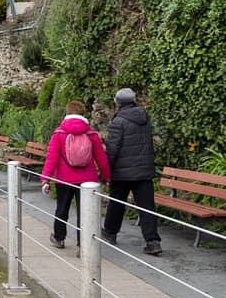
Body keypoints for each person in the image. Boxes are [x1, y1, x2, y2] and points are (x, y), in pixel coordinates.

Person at [41, 102, 111, 250]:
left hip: (64, 178)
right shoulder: (91, 134)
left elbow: (51, 158)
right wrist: (106, 177)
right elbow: (102, 159)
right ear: (83, 114)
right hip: (88, 180)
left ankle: (59, 238)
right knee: (85, 213)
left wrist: (45, 179)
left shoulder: (59, 134)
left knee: (62, 209)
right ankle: (83, 245)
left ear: (67, 113)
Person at [102, 88, 162, 256]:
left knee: (116, 203)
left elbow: (112, 149)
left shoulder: (119, 121)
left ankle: (110, 232)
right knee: (147, 206)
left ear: (118, 102)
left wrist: (106, 170)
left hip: (122, 171)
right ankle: (152, 241)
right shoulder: (144, 117)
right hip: (144, 170)